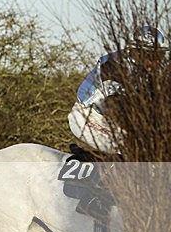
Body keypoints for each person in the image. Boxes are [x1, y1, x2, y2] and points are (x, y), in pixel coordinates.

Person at [68, 25, 168, 156]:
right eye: (150, 55)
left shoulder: (144, 71)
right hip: (89, 117)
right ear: (136, 51)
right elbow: (114, 107)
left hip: (107, 120)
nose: (154, 61)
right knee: (132, 147)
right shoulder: (116, 67)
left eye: (158, 56)